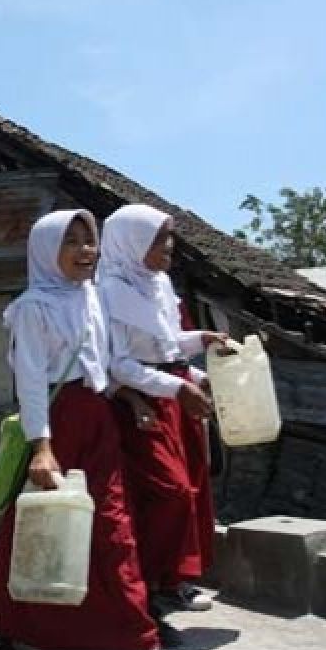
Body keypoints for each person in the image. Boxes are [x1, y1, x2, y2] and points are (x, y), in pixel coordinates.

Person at [0, 208, 208, 650]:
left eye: (90, 241)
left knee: (113, 532)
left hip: (99, 424)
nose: (87, 250)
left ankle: (141, 647)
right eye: (72, 242)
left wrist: (131, 396)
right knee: (33, 530)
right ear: (46, 251)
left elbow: (106, 366)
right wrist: (43, 446)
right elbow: (33, 385)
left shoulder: (92, 300)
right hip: (58, 427)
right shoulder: (32, 308)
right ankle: (3, 622)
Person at [99, 204, 226, 616]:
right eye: (157, 239)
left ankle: (173, 581)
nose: (168, 247)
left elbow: (166, 345)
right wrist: (176, 386)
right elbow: (119, 364)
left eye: (167, 237)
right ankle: (147, 586)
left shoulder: (157, 286)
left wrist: (200, 345)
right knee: (168, 493)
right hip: (139, 402)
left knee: (188, 489)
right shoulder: (111, 292)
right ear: (131, 243)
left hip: (170, 396)